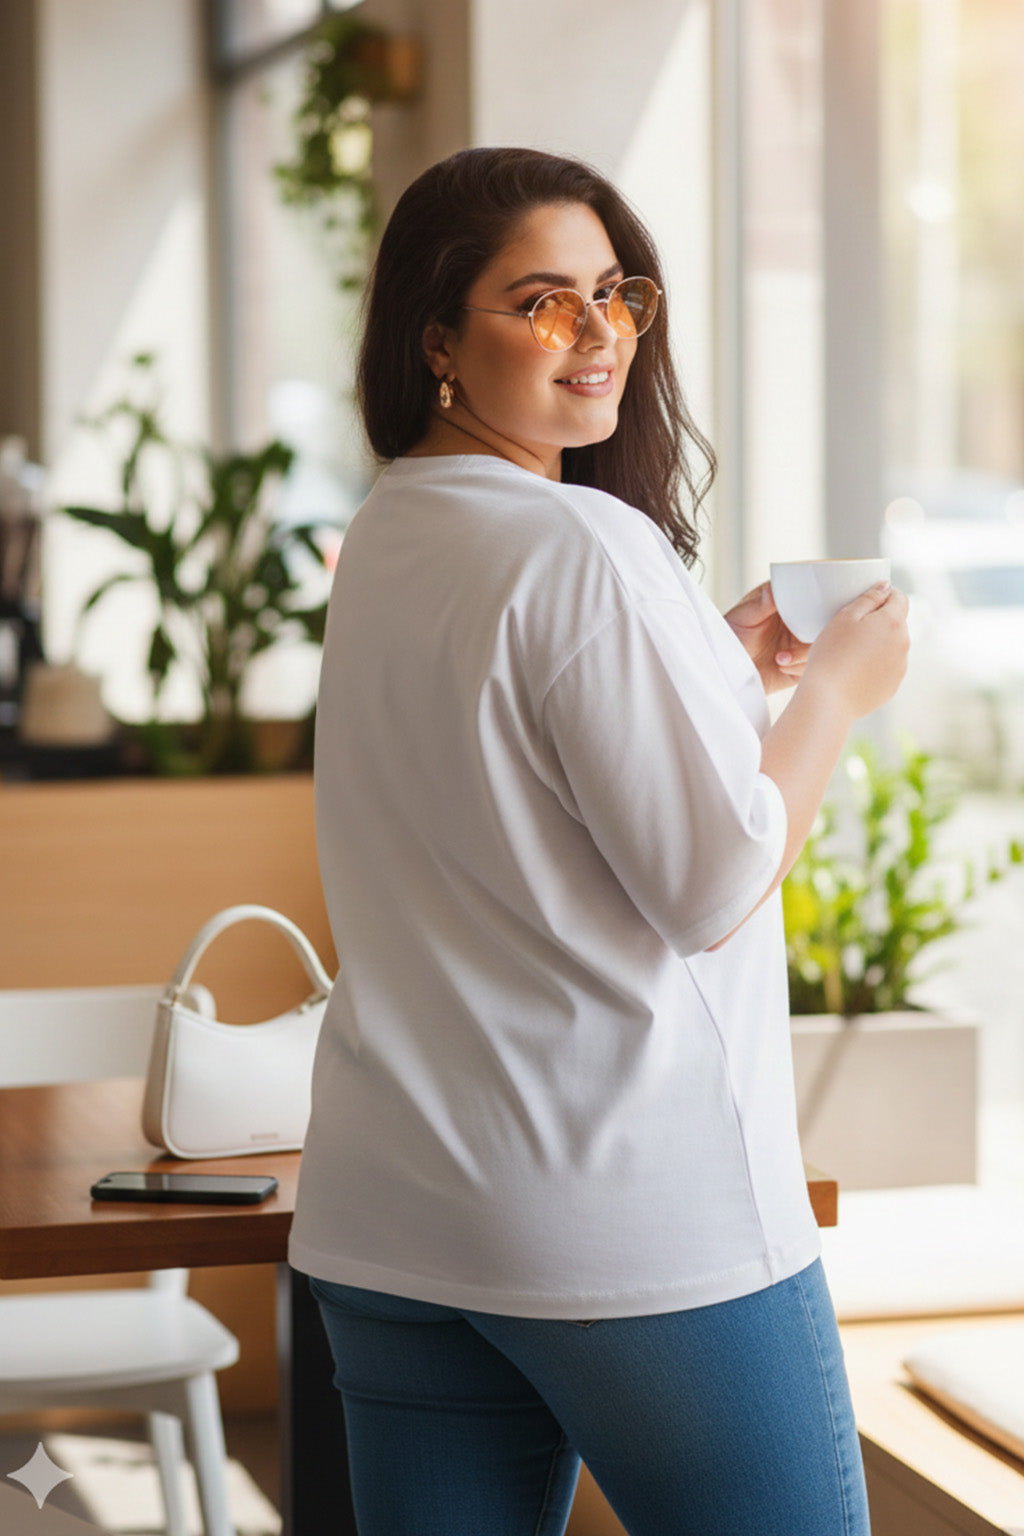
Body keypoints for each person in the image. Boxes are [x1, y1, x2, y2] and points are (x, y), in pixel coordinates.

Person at [288, 146, 909, 1536]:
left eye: (614, 296)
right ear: (436, 341)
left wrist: (724, 669)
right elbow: (711, 881)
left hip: (397, 1219)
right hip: (628, 1226)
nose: (598, 334)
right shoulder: (578, 547)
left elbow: (514, 784)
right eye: (541, 303)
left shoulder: (390, 534)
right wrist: (840, 700)